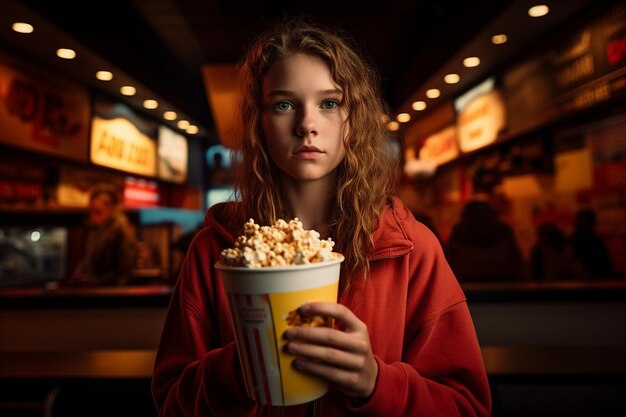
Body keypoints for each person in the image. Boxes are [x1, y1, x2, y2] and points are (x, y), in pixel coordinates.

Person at [152, 20, 491, 417]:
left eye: (329, 103)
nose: (306, 125)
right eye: (283, 104)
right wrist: (231, 370)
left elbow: (467, 408)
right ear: (260, 124)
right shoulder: (214, 251)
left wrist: (377, 384)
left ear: (353, 119)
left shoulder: (411, 249)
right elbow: (170, 405)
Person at [70, 183, 138, 286]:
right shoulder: (95, 228)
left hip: (109, 294)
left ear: (112, 208)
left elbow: (124, 273)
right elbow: (86, 259)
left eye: (97, 212)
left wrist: (95, 282)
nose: (92, 218)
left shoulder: (122, 229)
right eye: (91, 212)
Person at [446, 200, 526, 282]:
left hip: (465, 288)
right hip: (506, 289)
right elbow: (520, 269)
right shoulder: (504, 233)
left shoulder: (458, 235)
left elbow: (448, 269)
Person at [570, 209, 613, 279]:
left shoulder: (594, 242)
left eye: (580, 224)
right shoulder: (594, 241)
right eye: (577, 224)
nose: (577, 226)